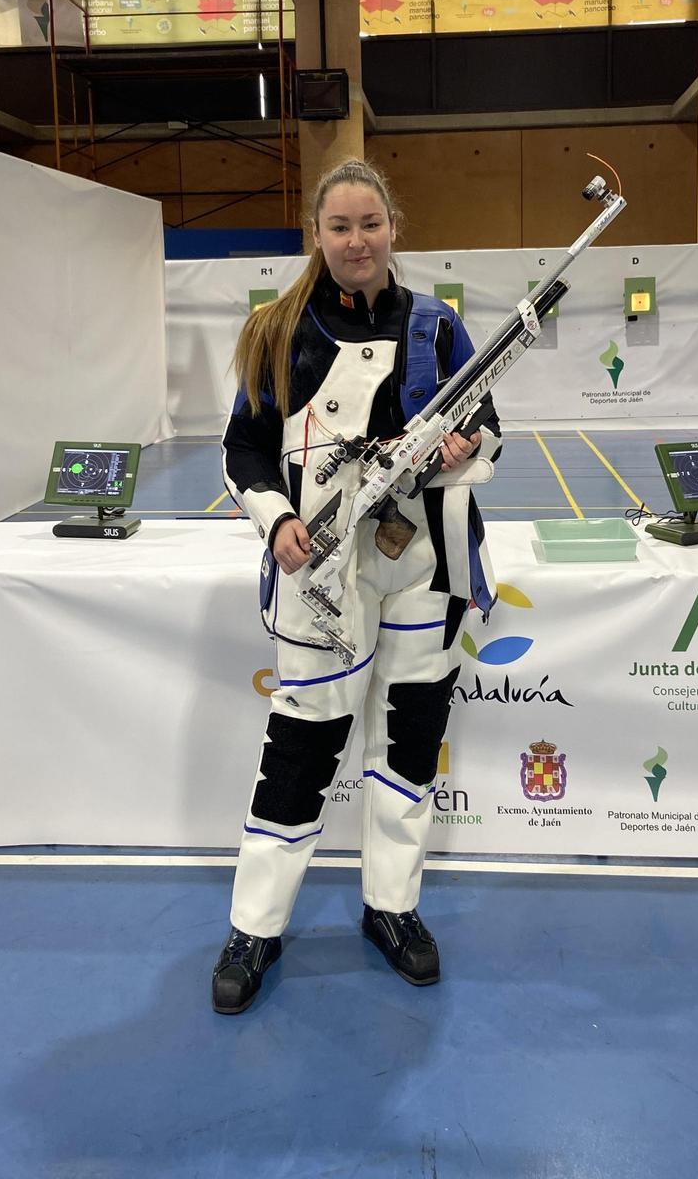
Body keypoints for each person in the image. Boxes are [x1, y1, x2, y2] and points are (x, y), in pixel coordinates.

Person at [213, 157, 501, 1014]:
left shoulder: (438, 327)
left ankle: (393, 908)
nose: (356, 240)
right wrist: (277, 521)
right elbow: (243, 449)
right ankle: (255, 926)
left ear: (393, 227)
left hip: (424, 566)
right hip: (321, 572)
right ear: (316, 234)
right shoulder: (276, 331)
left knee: (409, 743)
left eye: (369, 223)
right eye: (339, 226)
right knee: (301, 749)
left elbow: (488, 425)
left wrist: (463, 450)